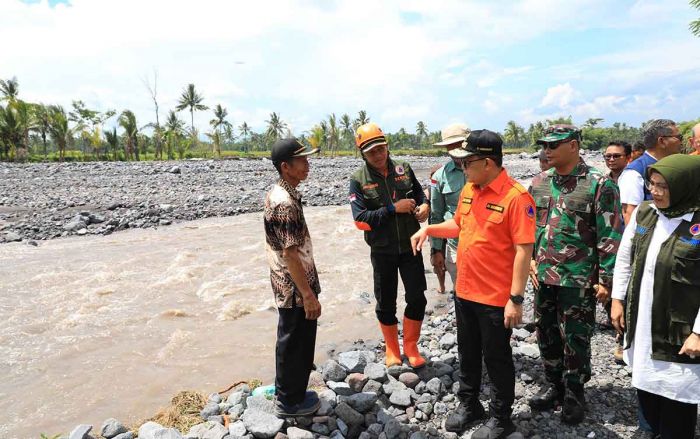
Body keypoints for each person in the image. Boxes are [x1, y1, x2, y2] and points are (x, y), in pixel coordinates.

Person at [411, 130, 535, 439]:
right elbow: (459, 225)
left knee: (497, 358)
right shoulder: (470, 189)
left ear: (489, 163)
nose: (463, 168)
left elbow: (524, 250)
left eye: (468, 162)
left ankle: (501, 417)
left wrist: (515, 299)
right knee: (467, 353)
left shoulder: (516, 198)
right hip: (465, 291)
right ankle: (470, 405)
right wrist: (430, 231)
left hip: (495, 297)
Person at [528, 125, 623, 424]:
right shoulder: (540, 182)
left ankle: (574, 391)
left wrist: (605, 281)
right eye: (544, 146)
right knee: (546, 333)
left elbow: (610, 237)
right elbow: (530, 228)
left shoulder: (598, 184)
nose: (546, 151)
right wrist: (531, 260)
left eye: (553, 146)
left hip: (578, 278)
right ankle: (553, 384)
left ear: (573, 146)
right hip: (543, 275)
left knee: (576, 337)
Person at [610, 154, 700, 438]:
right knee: (645, 377)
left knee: (678, 390)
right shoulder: (645, 212)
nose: (656, 192)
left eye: (664, 185)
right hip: (643, 318)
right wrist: (617, 299)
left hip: (680, 327)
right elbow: (625, 257)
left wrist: (698, 333)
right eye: (652, 184)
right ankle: (648, 428)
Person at [349, 122, 430, 369]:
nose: (378, 154)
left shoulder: (403, 169)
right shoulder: (358, 180)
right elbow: (360, 220)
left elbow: (420, 195)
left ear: (387, 145)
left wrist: (425, 206)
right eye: (371, 151)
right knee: (386, 302)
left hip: (410, 246)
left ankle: (412, 347)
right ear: (362, 153)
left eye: (381, 148)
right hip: (382, 250)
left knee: (417, 298)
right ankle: (392, 349)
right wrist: (392, 209)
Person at [265, 138, 322, 417]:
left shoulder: (282, 192)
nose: (307, 164)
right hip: (294, 287)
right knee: (295, 340)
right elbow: (290, 254)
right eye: (302, 160)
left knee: (294, 337)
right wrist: (308, 294)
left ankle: (290, 392)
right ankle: (289, 402)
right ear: (285, 167)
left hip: (290, 283)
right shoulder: (284, 203)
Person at [429, 123, 469, 293]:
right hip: (455, 247)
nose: (455, 151)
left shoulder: (487, 169)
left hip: (487, 246)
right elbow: (436, 214)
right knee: (461, 294)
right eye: (450, 146)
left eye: (459, 145)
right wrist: (436, 249)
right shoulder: (440, 176)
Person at [618, 119, 682, 225]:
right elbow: (630, 214)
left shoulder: (673, 166)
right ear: (662, 141)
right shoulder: (634, 173)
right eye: (679, 137)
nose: (681, 142)